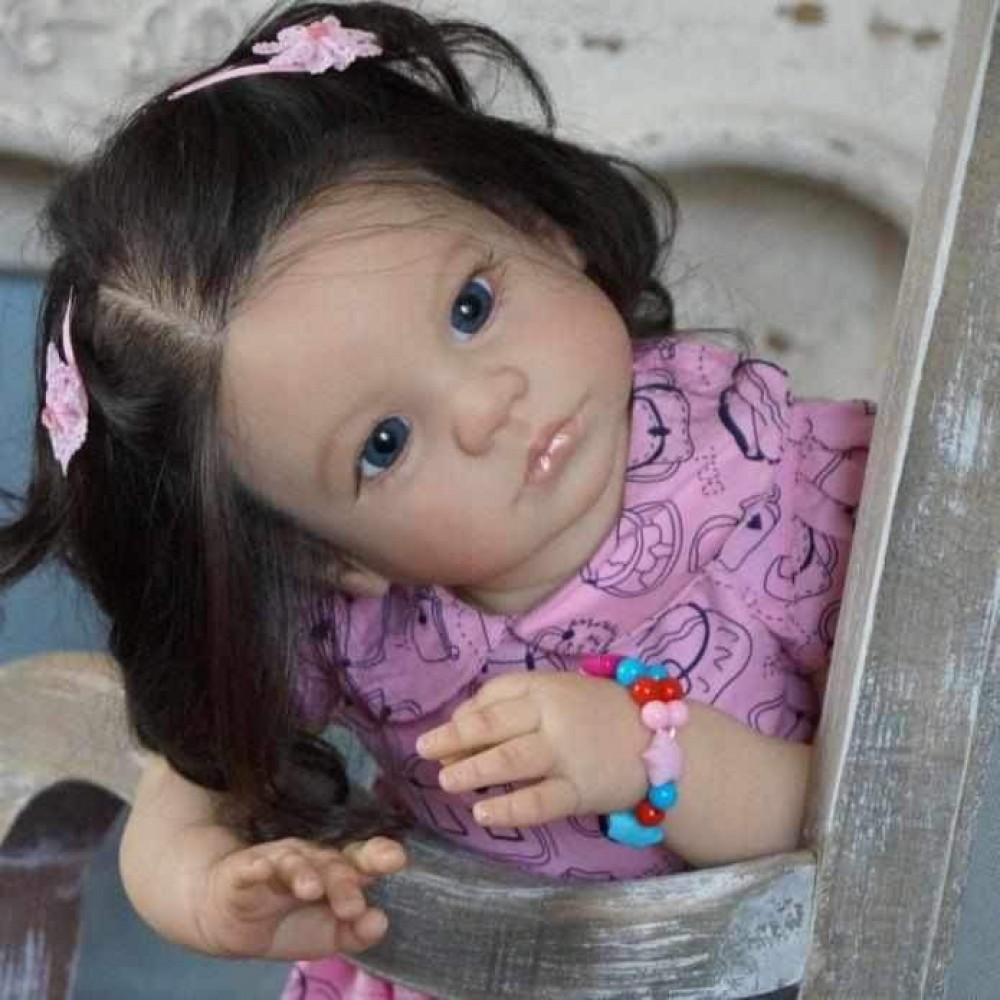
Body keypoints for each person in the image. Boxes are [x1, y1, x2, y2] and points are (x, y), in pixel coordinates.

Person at [0, 2, 873, 997]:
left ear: (536, 227)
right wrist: (200, 888)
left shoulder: (772, 467)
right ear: (330, 553)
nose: (485, 406)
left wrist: (650, 750)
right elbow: (183, 791)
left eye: (471, 307)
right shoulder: (350, 624)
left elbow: (886, 831)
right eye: (385, 443)